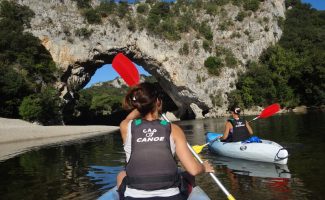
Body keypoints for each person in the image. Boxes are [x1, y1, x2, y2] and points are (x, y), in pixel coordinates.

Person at [116, 82, 214, 200]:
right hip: (170, 196)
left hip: (134, 196)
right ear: (158, 102)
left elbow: (128, 118)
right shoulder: (173, 129)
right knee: (188, 175)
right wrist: (204, 167)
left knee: (121, 175)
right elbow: (193, 170)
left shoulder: (126, 127)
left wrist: (142, 105)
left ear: (139, 105)